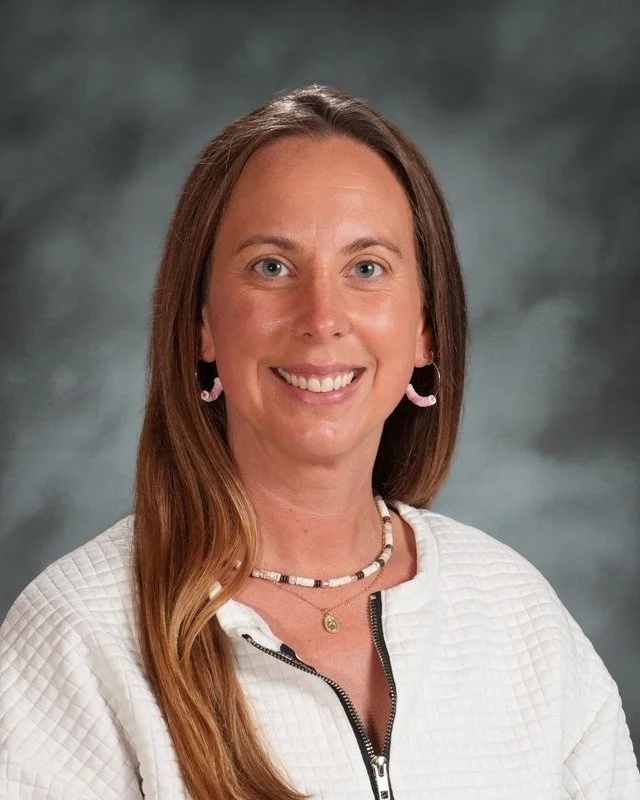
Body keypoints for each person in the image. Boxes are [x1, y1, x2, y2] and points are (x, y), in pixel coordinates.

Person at [0, 85, 638, 800]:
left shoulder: (519, 617)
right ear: (203, 325)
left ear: (427, 330)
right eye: (271, 266)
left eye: (367, 269)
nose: (322, 317)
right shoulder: (77, 638)